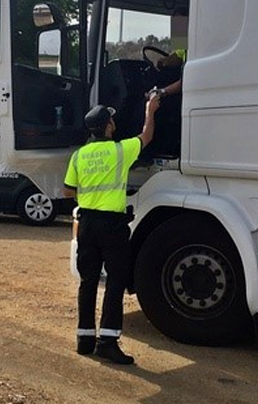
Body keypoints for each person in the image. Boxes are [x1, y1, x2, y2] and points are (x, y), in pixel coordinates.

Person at [62, 94, 160, 365]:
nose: (114, 124)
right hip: (111, 227)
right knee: (115, 282)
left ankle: (84, 340)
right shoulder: (120, 150)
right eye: (112, 120)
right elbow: (147, 136)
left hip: (87, 224)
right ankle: (107, 342)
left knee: (88, 281)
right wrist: (150, 110)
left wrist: (88, 199)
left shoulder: (79, 155)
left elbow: (68, 189)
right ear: (108, 126)